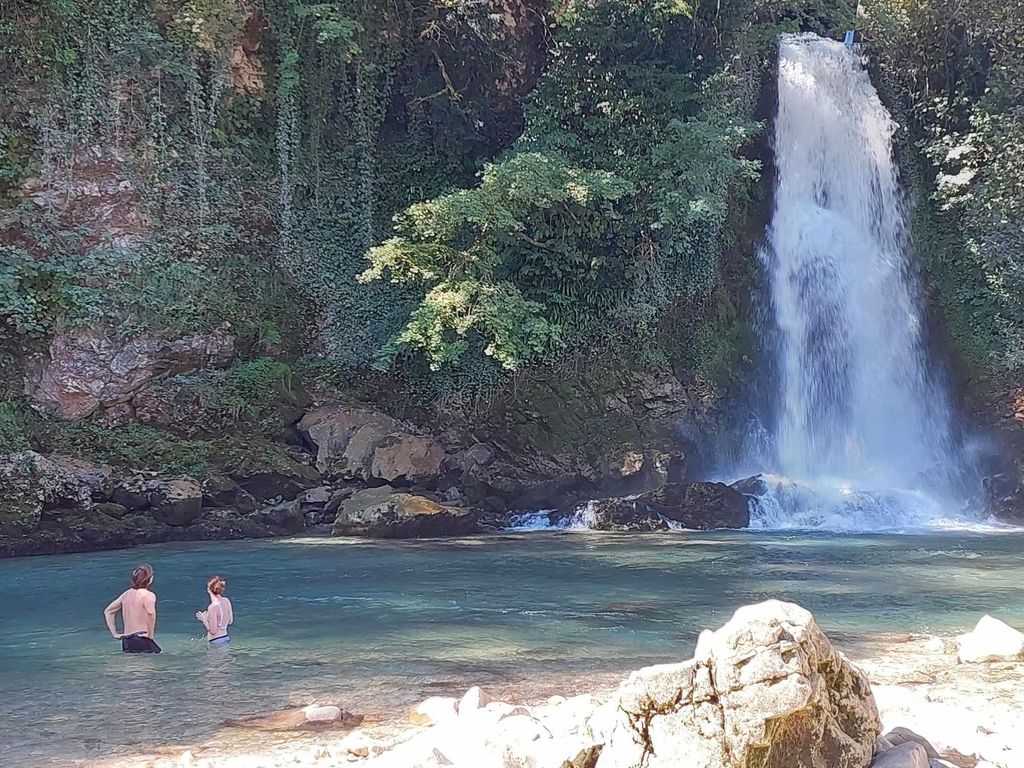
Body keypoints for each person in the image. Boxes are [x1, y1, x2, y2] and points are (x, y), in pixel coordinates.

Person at [104, 563, 161, 653]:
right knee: (152, 663)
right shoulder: (148, 595)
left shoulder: (126, 594)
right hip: (142, 637)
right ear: (150, 579)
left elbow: (108, 611)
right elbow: (151, 613)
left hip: (127, 640)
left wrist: (114, 633)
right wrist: (150, 636)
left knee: (132, 665)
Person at [196, 575, 233, 647]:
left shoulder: (212, 607)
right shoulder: (227, 601)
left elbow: (213, 631)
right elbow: (230, 621)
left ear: (208, 589)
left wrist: (204, 619)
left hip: (216, 641)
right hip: (225, 637)